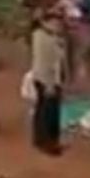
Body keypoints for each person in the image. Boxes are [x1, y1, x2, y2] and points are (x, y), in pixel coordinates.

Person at [28, 10, 69, 155]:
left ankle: (46, 139)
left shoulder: (50, 36)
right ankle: (46, 141)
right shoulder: (44, 37)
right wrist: (50, 84)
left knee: (47, 108)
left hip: (49, 78)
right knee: (47, 109)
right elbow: (45, 63)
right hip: (46, 79)